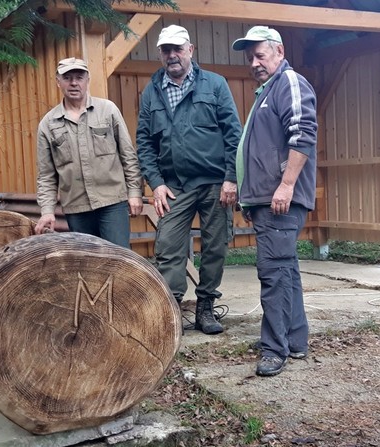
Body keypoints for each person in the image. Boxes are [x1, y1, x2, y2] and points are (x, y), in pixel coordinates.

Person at [136, 25, 242, 334]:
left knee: (216, 246)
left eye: (177, 49)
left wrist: (231, 179)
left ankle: (206, 307)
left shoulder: (215, 85)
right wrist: (155, 183)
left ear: (190, 50)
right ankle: (171, 312)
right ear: (160, 54)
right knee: (168, 247)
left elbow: (233, 134)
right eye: (166, 50)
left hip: (214, 182)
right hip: (174, 186)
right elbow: (144, 141)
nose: (172, 55)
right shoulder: (152, 90)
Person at [231, 26, 318, 376]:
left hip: (280, 198)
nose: (254, 62)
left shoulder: (290, 83)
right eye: (250, 57)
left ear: (279, 52)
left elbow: (304, 133)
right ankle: (293, 340)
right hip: (267, 200)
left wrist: (285, 186)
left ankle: (274, 349)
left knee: (274, 273)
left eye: (260, 55)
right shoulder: (266, 91)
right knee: (286, 270)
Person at [35, 57, 143, 248]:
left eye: (79, 77)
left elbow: (128, 155)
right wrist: (47, 211)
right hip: (76, 208)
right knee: (87, 264)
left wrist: (135, 192)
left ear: (87, 79)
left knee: (119, 260)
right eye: (67, 78)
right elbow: (46, 175)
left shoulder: (108, 111)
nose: (74, 83)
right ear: (58, 81)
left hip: (112, 203)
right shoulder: (48, 124)